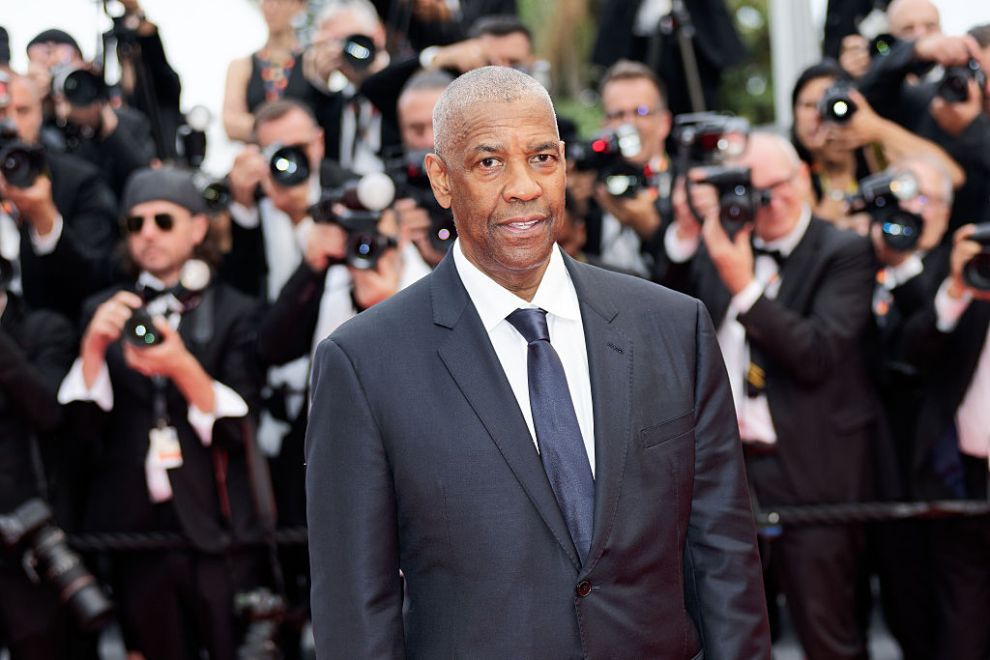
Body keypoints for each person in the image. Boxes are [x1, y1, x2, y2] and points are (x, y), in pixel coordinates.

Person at [305, 65, 770, 658]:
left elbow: (724, 556)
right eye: (489, 162)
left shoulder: (672, 327)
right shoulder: (363, 363)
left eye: (543, 157)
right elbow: (354, 613)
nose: (523, 186)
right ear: (441, 181)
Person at [661, 131, 879, 659]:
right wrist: (689, 233)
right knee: (729, 629)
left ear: (803, 177)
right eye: (749, 190)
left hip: (813, 471)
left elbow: (817, 355)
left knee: (827, 630)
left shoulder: (843, 251)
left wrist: (745, 287)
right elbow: (670, 322)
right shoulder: (725, 242)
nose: (764, 202)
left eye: (775, 186)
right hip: (727, 470)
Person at [58, 168, 265, 660]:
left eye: (163, 221)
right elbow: (77, 439)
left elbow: (243, 433)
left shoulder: (236, 310)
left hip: (214, 529)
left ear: (197, 228)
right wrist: (91, 351)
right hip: (132, 531)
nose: (148, 233)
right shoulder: (100, 310)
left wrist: (181, 368)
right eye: (136, 224)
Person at [899, 223, 990, 660]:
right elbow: (913, 350)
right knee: (962, 630)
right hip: (963, 480)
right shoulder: (977, 282)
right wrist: (958, 288)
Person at [0, 73, 119, 321]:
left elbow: (98, 281)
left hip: (54, 338)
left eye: (22, 111)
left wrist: (46, 221)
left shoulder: (80, 181)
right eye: (1, 112)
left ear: (40, 114)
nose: (10, 124)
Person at [222, 0, 313, 142]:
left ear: (299, 6)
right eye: (267, 1)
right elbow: (231, 122)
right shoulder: (242, 66)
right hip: (259, 159)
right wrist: (287, 129)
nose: (271, 8)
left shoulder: (311, 62)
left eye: (280, 2)